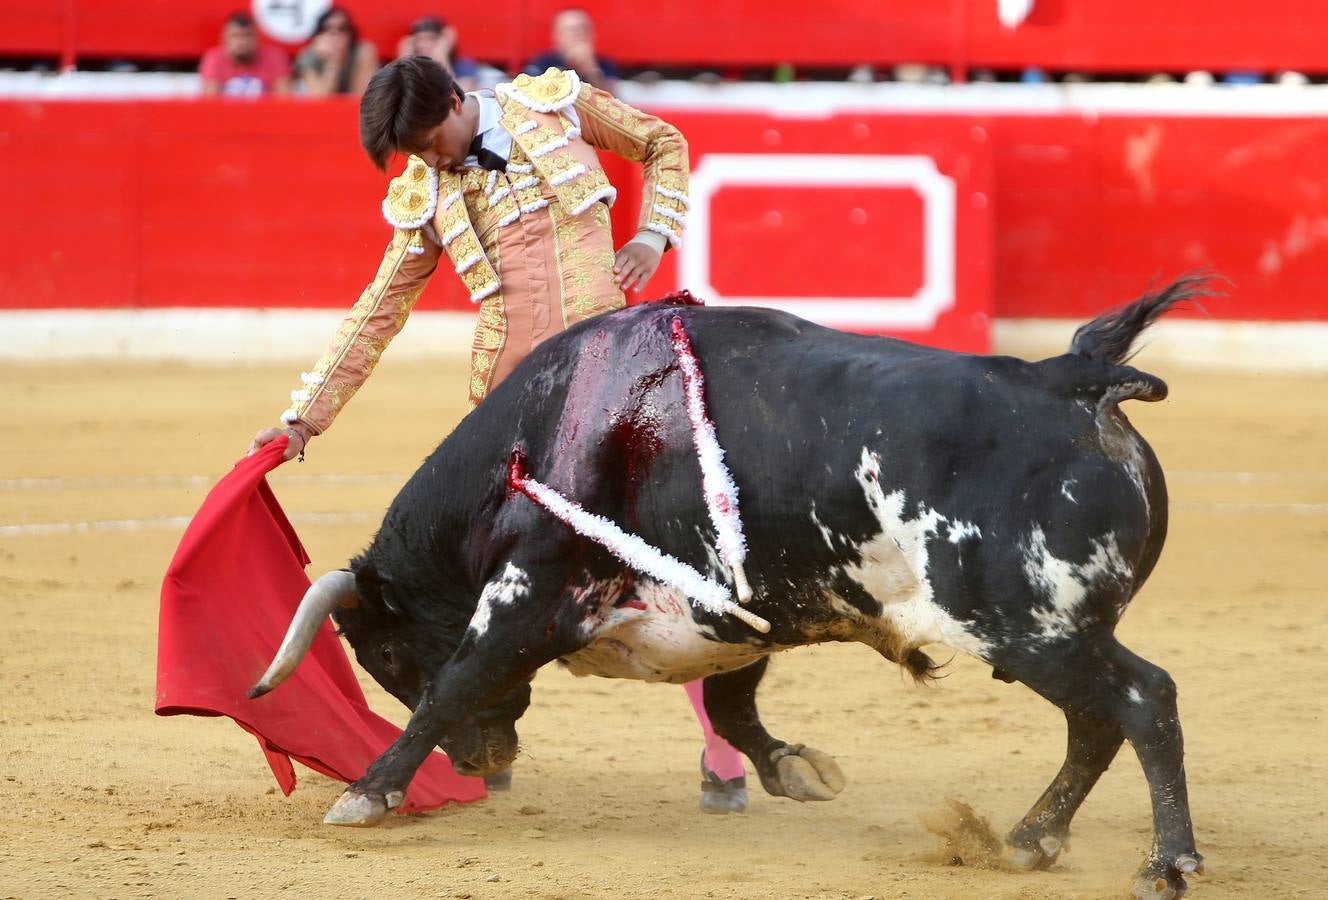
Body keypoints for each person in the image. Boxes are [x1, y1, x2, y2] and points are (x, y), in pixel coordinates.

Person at [248, 57, 748, 813]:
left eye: (432, 141)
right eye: (415, 154)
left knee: (678, 557)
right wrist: (302, 420)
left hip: (619, 391)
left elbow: (663, 142)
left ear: (456, 99)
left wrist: (653, 233)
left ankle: (724, 748)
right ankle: (484, 738)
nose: (432, 161)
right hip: (510, 417)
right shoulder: (427, 191)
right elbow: (377, 309)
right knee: (490, 584)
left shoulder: (554, 108)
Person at [199, 11, 291, 97]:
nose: (242, 42)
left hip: (266, 113)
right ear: (224, 39)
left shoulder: (275, 57)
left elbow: (284, 101)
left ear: (257, 38)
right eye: (235, 36)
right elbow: (210, 102)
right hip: (226, 114)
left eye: (247, 35)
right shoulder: (214, 59)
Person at [293, 6, 380, 96]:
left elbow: (361, 98)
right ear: (318, 35)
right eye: (326, 28)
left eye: (341, 28)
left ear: (350, 33)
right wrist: (333, 61)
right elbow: (319, 99)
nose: (334, 33)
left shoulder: (363, 52)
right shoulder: (308, 55)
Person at [524, 7, 619, 90]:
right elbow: (528, 94)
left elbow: (610, 102)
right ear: (557, 36)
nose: (578, 34)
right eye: (571, 30)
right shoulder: (542, 62)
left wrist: (591, 71)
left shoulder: (605, 64)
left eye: (583, 28)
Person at [395, 15, 481, 92]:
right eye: (419, 39)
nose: (423, 45)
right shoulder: (415, 66)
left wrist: (442, 58)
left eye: (430, 38)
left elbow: (459, 94)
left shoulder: (462, 64)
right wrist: (404, 60)